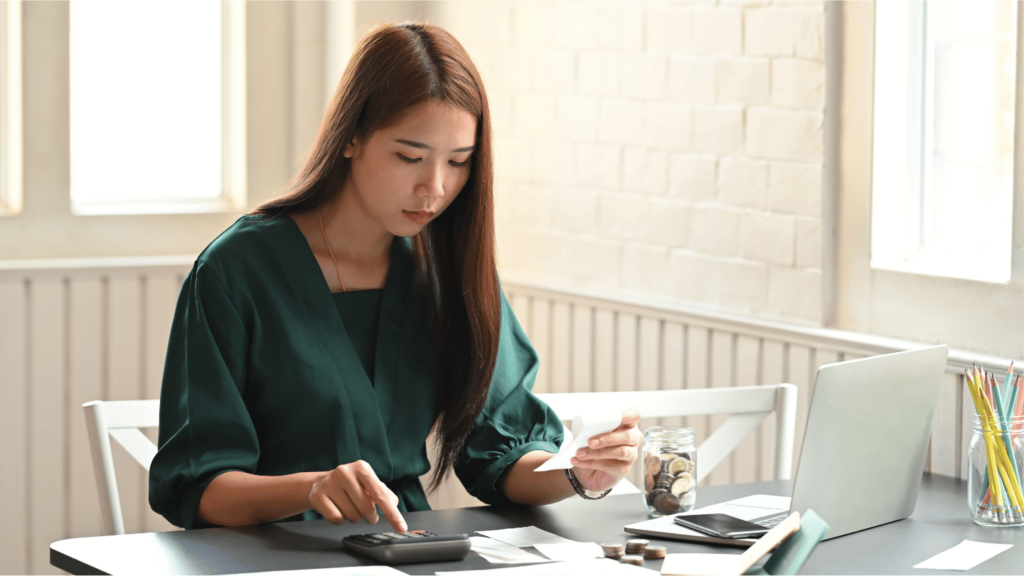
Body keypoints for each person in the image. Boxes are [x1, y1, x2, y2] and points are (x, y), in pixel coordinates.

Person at [148, 22, 642, 533]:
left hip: (409, 551)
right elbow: (195, 487)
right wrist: (310, 487)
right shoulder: (237, 270)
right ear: (351, 137)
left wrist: (580, 472)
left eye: (458, 162)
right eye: (409, 157)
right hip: (264, 558)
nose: (435, 188)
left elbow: (502, 454)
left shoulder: (446, 267)